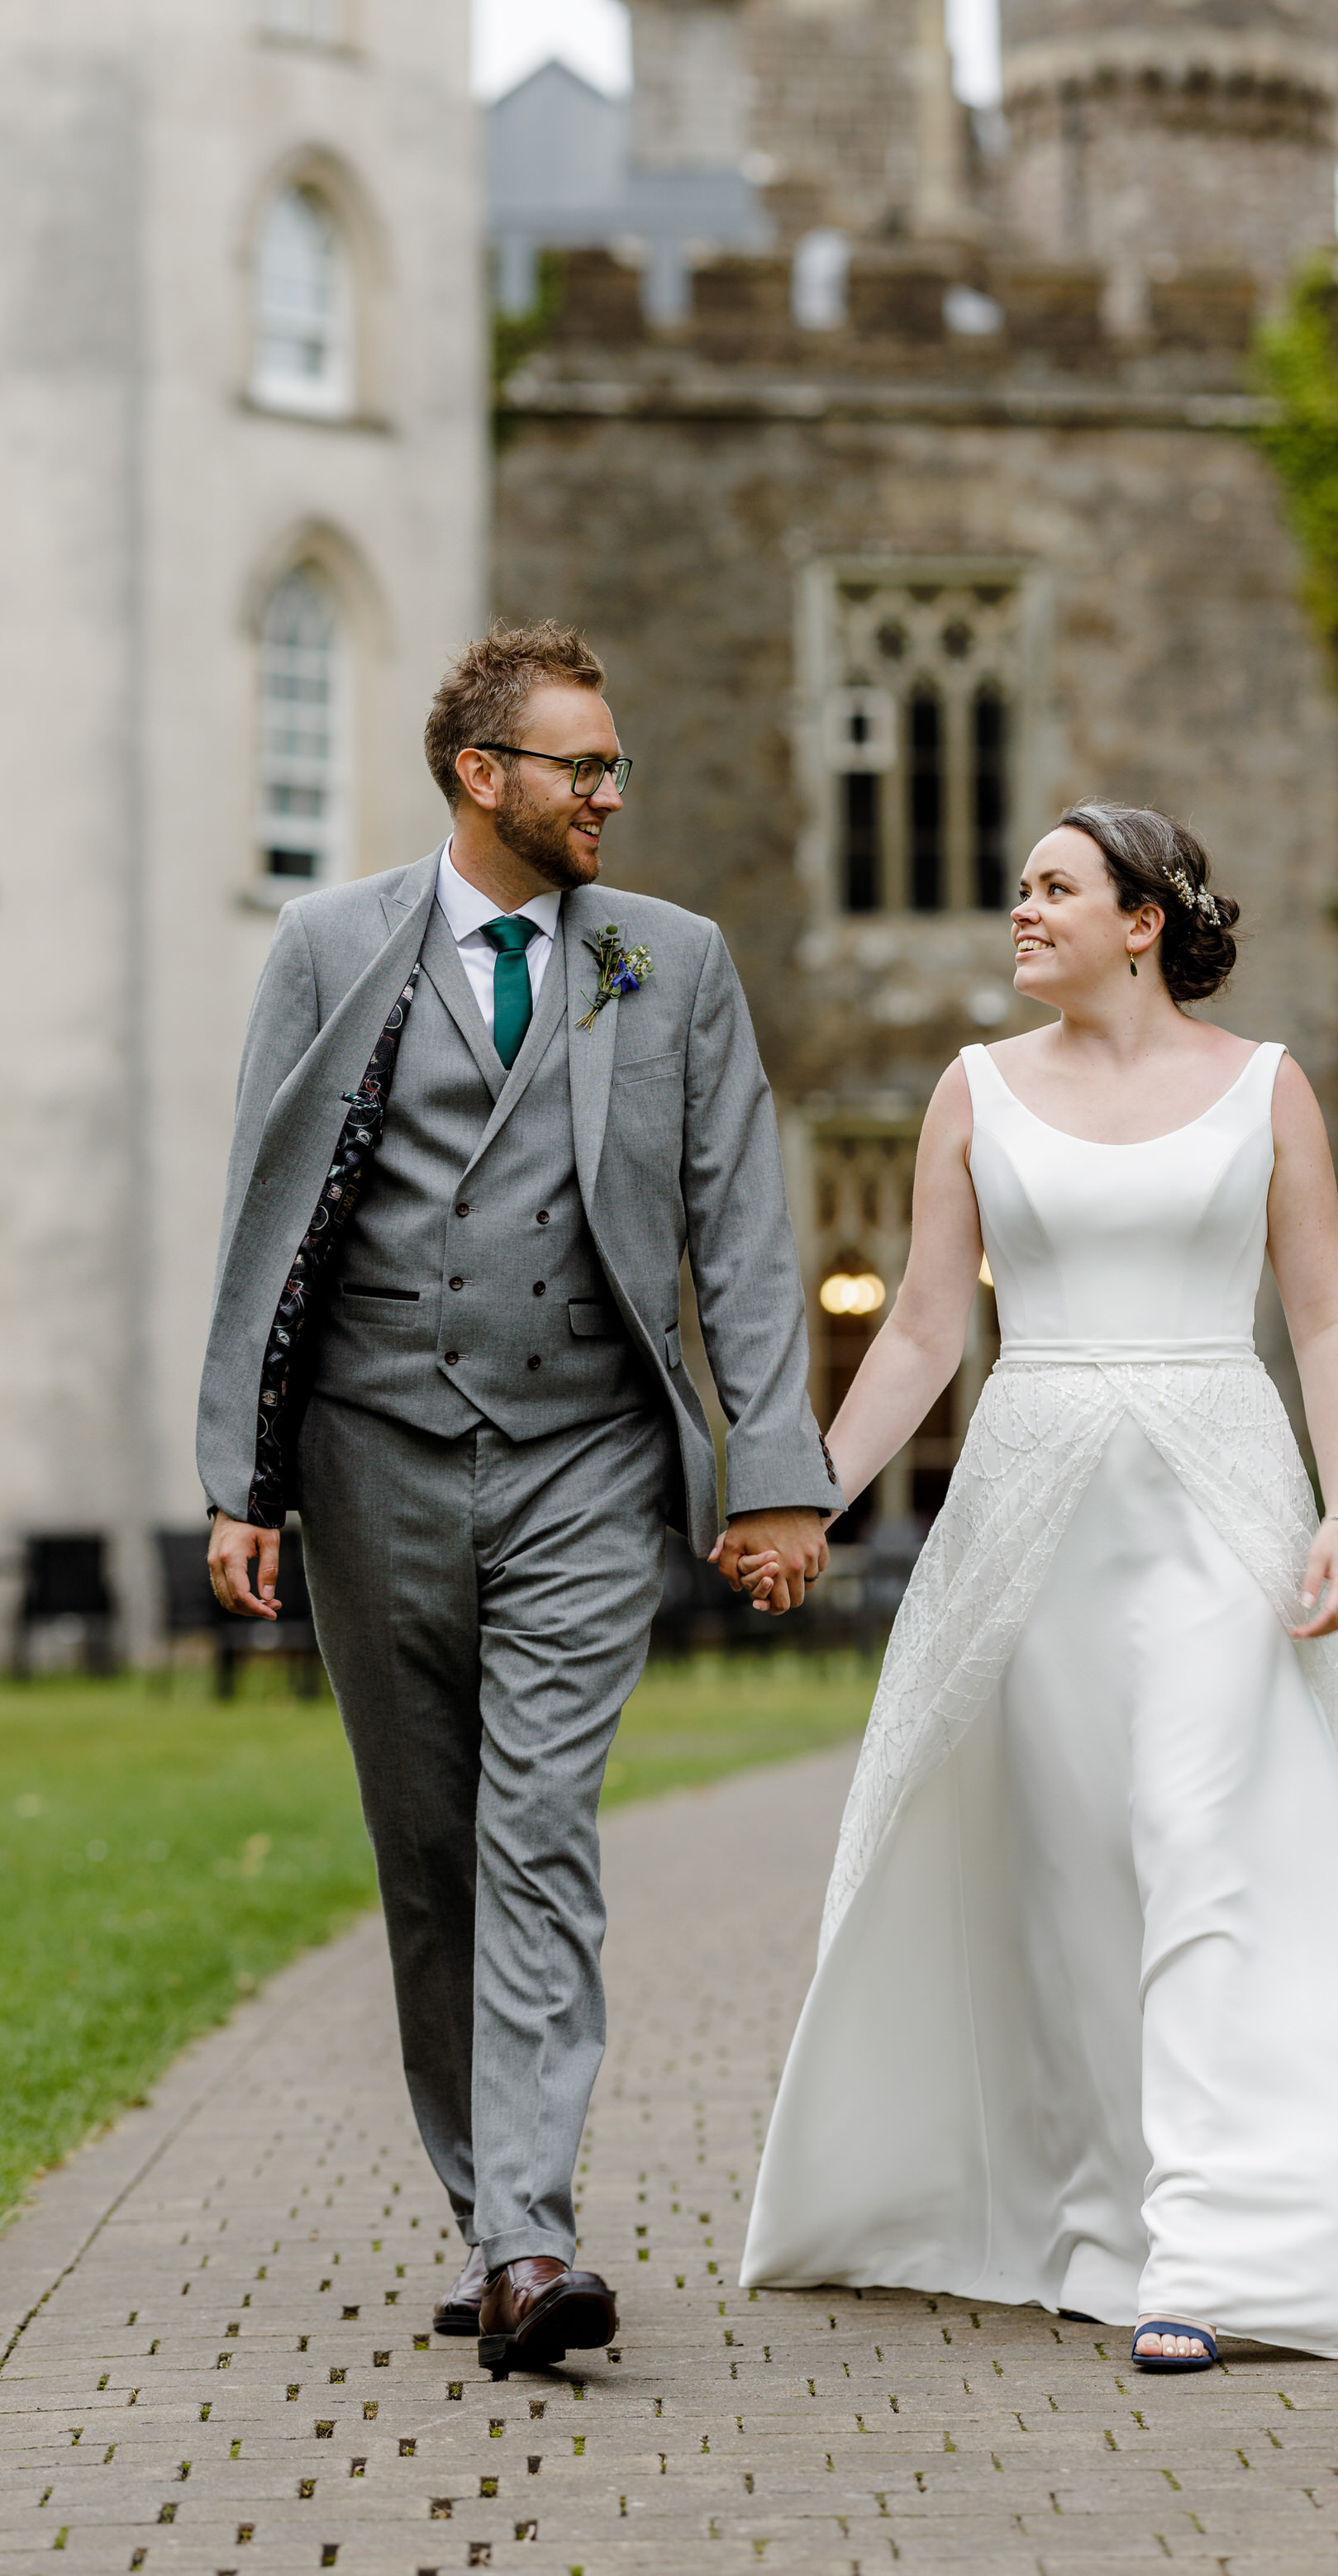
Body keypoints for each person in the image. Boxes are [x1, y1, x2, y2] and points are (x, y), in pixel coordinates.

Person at [739, 802, 1338, 2370]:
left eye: (1052, 887)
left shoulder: (1266, 1088)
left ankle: (1205, 2246)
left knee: (1199, 1841)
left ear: (1142, 918)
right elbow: (921, 1328)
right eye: (1019, 888)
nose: (1019, 912)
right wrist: (806, 1493)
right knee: (1066, 1870)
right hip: (1032, 1509)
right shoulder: (972, 1092)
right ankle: (1091, 2216)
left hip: (1215, 1501)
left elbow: (1321, 1316)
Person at [200, 622, 837, 2379]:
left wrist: (772, 1472)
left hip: (583, 1453)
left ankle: (530, 2231)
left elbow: (744, 1236)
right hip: (370, 1450)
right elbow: (263, 1224)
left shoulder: (671, 962)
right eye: (582, 767)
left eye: (613, 764)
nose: (611, 792)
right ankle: (495, 2211)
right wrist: (238, 1479)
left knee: (538, 1826)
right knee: (428, 1857)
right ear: (484, 776)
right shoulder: (332, 945)